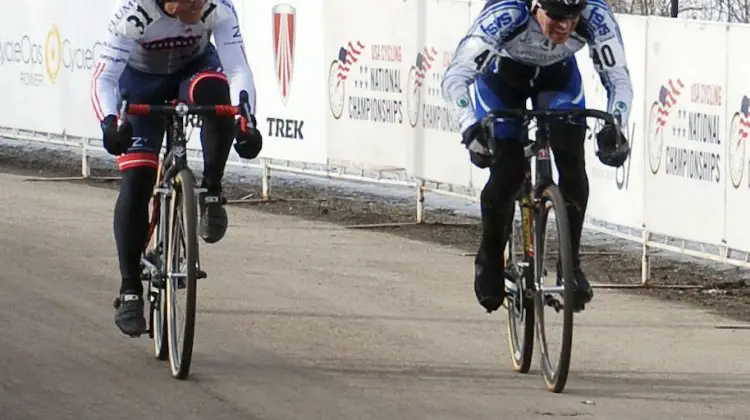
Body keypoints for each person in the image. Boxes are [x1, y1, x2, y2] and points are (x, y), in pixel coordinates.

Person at [441, 0, 632, 314]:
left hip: (558, 79)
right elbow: (456, 77)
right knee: (507, 172)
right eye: (555, 16)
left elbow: (618, 80)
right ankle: (490, 257)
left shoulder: (595, 16)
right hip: (502, 82)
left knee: (571, 159)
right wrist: (470, 127)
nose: (564, 26)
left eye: (572, 18)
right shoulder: (508, 14)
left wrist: (615, 123)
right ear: (534, 6)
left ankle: (571, 266)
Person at [90, 0, 263, 336]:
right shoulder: (132, 13)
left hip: (193, 70)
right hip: (139, 79)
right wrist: (109, 122)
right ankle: (129, 290)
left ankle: (211, 190)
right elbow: (104, 76)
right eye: (192, 0)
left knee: (215, 92)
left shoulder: (217, 7)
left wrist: (247, 121)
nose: (200, 5)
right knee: (138, 178)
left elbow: (238, 69)